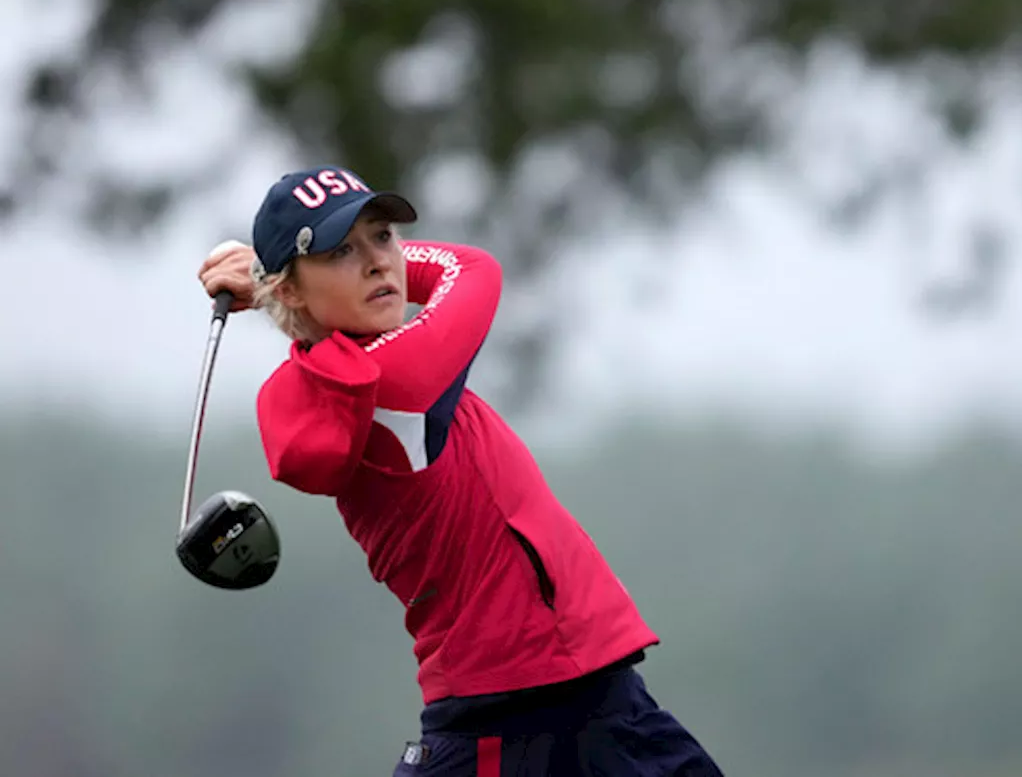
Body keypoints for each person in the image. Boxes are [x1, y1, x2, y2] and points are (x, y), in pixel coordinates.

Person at [197, 166, 726, 777]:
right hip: (506, 721)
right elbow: (473, 269)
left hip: (594, 698)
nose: (378, 263)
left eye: (383, 237)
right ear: (291, 291)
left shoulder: (342, 375)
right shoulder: (397, 377)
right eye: (343, 249)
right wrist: (268, 277)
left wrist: (275, 279)